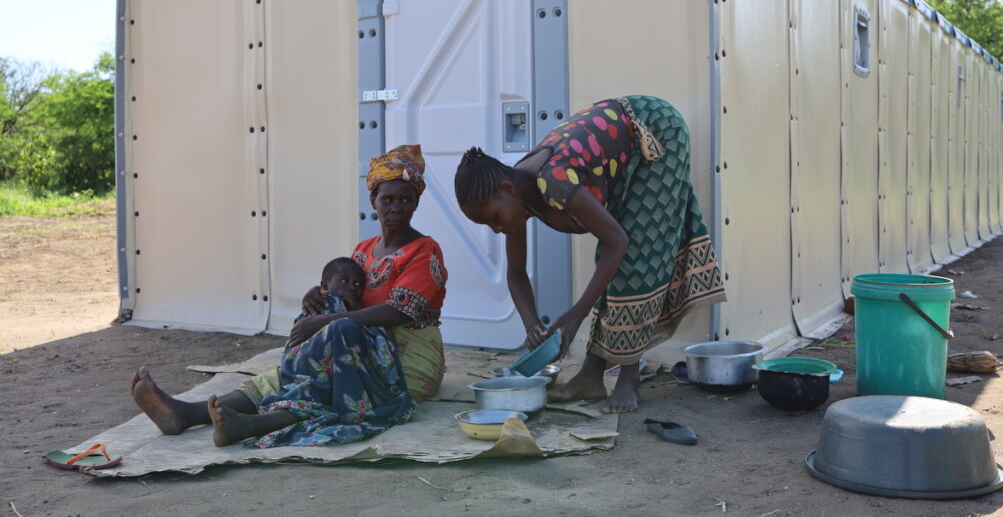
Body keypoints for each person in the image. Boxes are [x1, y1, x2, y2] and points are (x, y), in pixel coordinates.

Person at [129, 144, 448, 447]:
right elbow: (348, 294)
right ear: (373, 201)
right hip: (358, 346)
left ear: (416, 202)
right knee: (294, 372)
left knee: (333, 347)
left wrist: (328, 320)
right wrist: (320, 294)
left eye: (405, 200)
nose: (396, 208)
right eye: (387, 199)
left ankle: (256, 424)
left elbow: (397, 312)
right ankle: (187, 415)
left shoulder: (425, 250)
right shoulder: (363, 250)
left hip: (408, 361)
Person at [454, 96, 725, 413]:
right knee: (610, 260)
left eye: (494, 219)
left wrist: (577, 312)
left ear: (508, 190)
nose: (496, 229)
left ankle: (628, 376)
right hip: (622, 137)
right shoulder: (515, 193)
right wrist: (532, 327)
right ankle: (591, 376)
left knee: (635, 256)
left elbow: (617, 242)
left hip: (656, 128)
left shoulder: (552, 181)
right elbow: (515, 274)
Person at [296, 256, 366, 321]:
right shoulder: (319, 306)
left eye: (358, 283)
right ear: (325, 286)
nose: (352, 287)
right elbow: (300, 326)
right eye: (344, 281)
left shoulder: (361, 310)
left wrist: (357, 309)